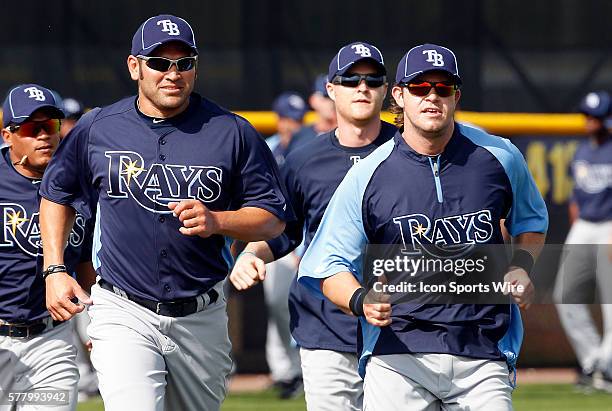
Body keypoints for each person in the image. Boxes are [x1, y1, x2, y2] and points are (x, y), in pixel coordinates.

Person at [38, 14, 292, 411]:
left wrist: (217, 221)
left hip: (201, 313)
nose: (173, 73)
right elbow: (56, 193)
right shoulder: (98, 128)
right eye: (159, 62)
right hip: (123, 308)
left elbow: (273, 216)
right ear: (134, 66)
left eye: (184, 62)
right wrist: (54, 270)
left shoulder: (232, 131)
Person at [298, 44, 548, 410]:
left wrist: (522, 265)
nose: (432, 96)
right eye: (419, 87)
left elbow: (532, 221)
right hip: (398, 353)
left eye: (443, 87)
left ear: (456, 95)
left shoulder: (499, 156)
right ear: (399, 95)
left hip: (482, 349)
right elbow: (327, 264)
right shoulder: (368, 174)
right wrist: (360, 299)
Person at [230, 41, 395, 410]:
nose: (362, 87)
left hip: (399, 324)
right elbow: (283, 229)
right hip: (325, 323)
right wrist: (252, 253)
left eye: (372, 80)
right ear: (331, 91)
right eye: (350, 80)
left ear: (387, 90)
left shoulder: (408, 152)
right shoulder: (305, 160)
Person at [0, 84, 95, 411]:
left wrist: (98, 323)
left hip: (50, 340)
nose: (44, 135)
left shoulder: (81, 183)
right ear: (8, 135)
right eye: (31, 127)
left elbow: (85, 263)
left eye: (51, 125)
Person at [554, 90, 612, 392]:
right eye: (588, 116)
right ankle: (594, 363)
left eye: (596, 117)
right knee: (565, 295)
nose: (590, 121)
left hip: (609, 226)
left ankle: (607, 369)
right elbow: (575, 195)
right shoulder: (581, 151)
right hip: (586, 226)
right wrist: (576, 224)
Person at [259, 91, 307, 398]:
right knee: (276, 305)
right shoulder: (268, 147)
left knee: (297, 306)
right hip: (273, 238)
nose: (293, 124)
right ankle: (283, 371)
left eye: (297, 119)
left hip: (299, 239)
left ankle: (298, 371)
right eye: (288, 118)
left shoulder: (308, 146)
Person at [288, 74, 337, 151]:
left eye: (335, 96)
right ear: (313, 100)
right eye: (326, 97)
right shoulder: (300, 136)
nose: (332, 103)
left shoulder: (352, 135)